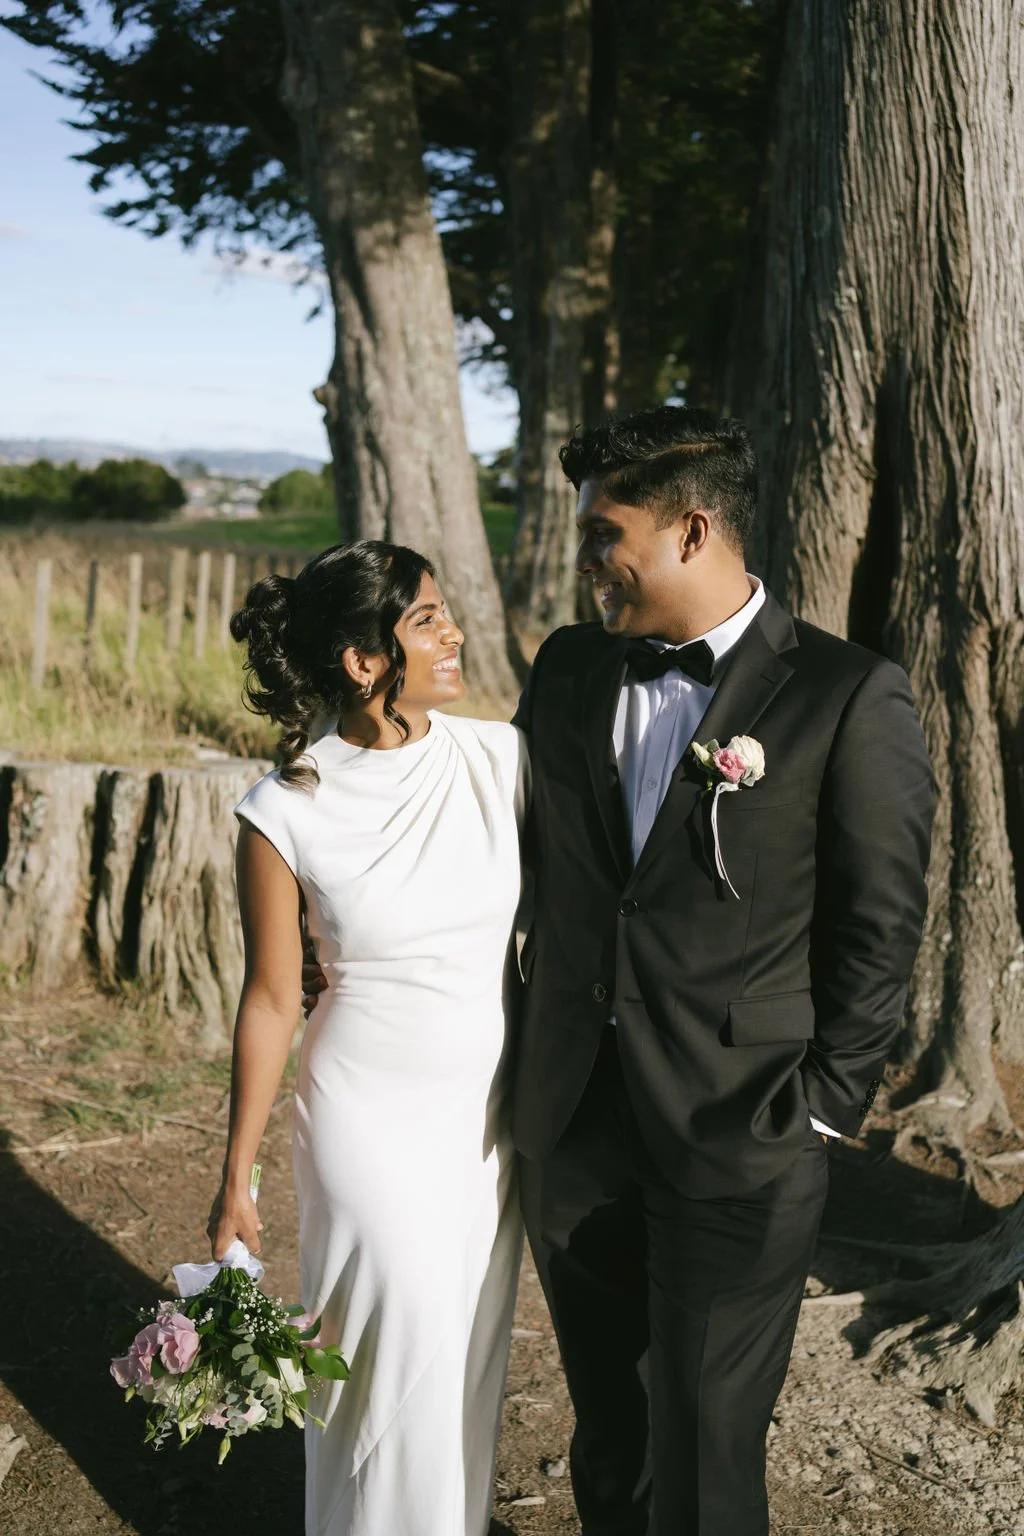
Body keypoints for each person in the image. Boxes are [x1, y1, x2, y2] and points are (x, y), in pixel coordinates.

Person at [511, 406, 934, 1536]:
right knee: (610, 1433)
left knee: (705, 1453)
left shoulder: (847, 693)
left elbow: (880, 925)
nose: (586, 561)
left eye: (604, 534)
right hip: (574, 1121)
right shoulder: (566, 668)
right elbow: (516, 854)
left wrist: (822, 1108)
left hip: (742, 1131)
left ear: (692, 531)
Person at [207, 540, 528, 1536]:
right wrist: (236, 1175)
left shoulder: (502, 760)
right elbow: (272, 1000)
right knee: (382, 1365)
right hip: (366, 1122)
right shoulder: (283, 810)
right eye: (427, 619)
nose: (455, 632)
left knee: (460, 1364)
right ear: (362, 659)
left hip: (486, 1125)